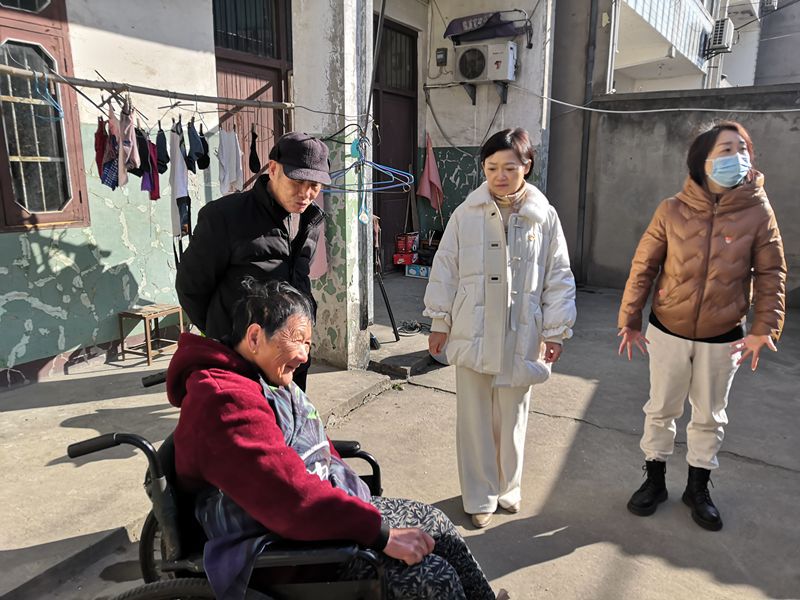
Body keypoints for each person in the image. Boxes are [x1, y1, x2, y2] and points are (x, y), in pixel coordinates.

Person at [166, 279, 505, 600]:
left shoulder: (265, 374)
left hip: (322, 513)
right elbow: (290, 498)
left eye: (308, 343)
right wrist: (382, 534)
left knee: (436, 524)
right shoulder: (225, 400)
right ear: (255, 337)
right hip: (282, 548)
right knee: (434, 576)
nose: (304, 356)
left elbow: (313, 443)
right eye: (297, 339)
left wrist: (358, 506)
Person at [618, 121, 786, 531]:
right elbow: (644, 266)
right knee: (661, 408)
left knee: (710, 415)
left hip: (723, 334)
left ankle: (698, 488)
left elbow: (771, 273)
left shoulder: (758, 212)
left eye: (742, 149)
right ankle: (654, 481)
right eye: (726, 149)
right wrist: (630, 319)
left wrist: (764, 328)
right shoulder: (671, 209)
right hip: (668, 328)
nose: (737, 157)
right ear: (703, 160)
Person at [423, 128, 577, 529]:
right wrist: (440, 320)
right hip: (472, 328)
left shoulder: (543, 216)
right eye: (492, 167)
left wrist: (555, 330)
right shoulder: (466, 213)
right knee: (474, 419)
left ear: (527, 166)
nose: (500, 175)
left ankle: (508, 486)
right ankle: (479, 495)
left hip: (521, 331)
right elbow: (445, 267)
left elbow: (558, 275)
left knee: (513, 415)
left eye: (510, 167)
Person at [175, 131, 330, 391]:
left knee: (290, 415)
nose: (305, 193)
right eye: (297, 181)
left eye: (314, 185)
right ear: (273, 169)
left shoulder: (311, 220)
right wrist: (228, 338)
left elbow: (298, 279)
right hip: (242, 362)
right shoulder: (225, 217)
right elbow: (191, 288)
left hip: (292, 359)